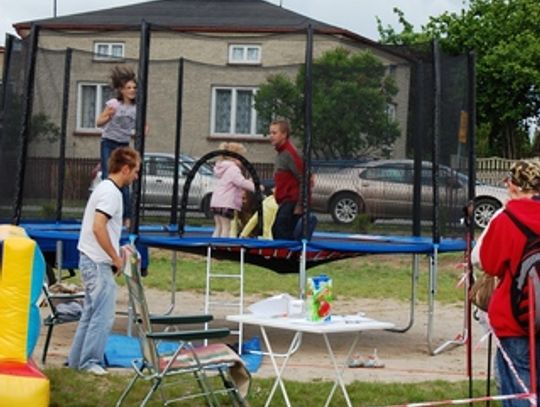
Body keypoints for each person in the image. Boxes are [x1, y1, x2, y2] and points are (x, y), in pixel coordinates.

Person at [472, 159, 540, 405]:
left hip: (514, 319)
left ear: (513, 186)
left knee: (517, 388)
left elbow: (488, 263)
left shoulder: (506, 219)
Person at [68, 147, 141, 375]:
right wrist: (115, 258)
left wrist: (117, 248)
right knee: (103, 315)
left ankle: (76, 361)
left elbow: (103, 229)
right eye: (136, 171)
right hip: (97, 262)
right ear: (125, 168)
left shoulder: (105, 188)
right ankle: (90, 362)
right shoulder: (112, 193)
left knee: (90, 313)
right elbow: (98, 226)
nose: (136, 176)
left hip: (90, 259)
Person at [96, 66, 139, 225]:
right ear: (121, 90)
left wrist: (143, 129)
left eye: (134, 87)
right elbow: (98, 122)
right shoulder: (114, 104)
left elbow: (144, 126)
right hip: (108, 142)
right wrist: (108, 117)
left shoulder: (136, 107)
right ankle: (106, 213)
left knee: (125, 179)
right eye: (129, 88)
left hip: (123, 144)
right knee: (110, 177)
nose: (132, 90)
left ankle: (126, 218)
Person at [269, 119, 305, 240]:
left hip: (292, 201)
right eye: (270, 133)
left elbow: (303, 178)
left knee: (281, 229)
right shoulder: (280, 153)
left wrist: (300, 205)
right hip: (284, 201)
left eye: (274, 133)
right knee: (276, 229)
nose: (271, 136)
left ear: (284, 134)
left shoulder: (290, 153)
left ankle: (287, 256)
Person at [210, 142, 255, 238]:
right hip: (226, 203)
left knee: (218, 227)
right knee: (226, 228)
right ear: (235, 157)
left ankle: (213, 246)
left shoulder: (221, 168)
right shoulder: (233, 169)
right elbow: (241, 182)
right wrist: (255, 186)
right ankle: (222, 247)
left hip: (216, 202)